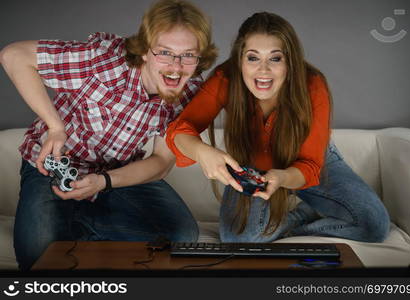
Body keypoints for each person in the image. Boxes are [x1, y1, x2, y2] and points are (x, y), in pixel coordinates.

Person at [0, 0, 217, 270]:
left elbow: (161, 162)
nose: (176, 66)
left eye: (188, 55)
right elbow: (14, 55)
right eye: (165, 52)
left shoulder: (190, 92)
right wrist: (55, 127)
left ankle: (77, 222)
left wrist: (103, 182)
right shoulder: (103, 61)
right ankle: (71, 226)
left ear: (199, 58)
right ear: (146, 51)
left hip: (116, 173)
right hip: (52, 165)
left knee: (181, 236)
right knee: (39, 257)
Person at [166, 12, 390, 243]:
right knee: (238, 240)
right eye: (253, 58)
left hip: (305, 161)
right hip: (254, 167)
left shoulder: (313, 84)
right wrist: (201, 151)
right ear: (240, 60)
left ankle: (297, 219)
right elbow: (179, 130)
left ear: (289, 62)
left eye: (275, 59)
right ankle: (303, 214)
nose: (263, 71)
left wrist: (283, 178)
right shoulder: (227, 78)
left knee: (373, 226)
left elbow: (311, 165)